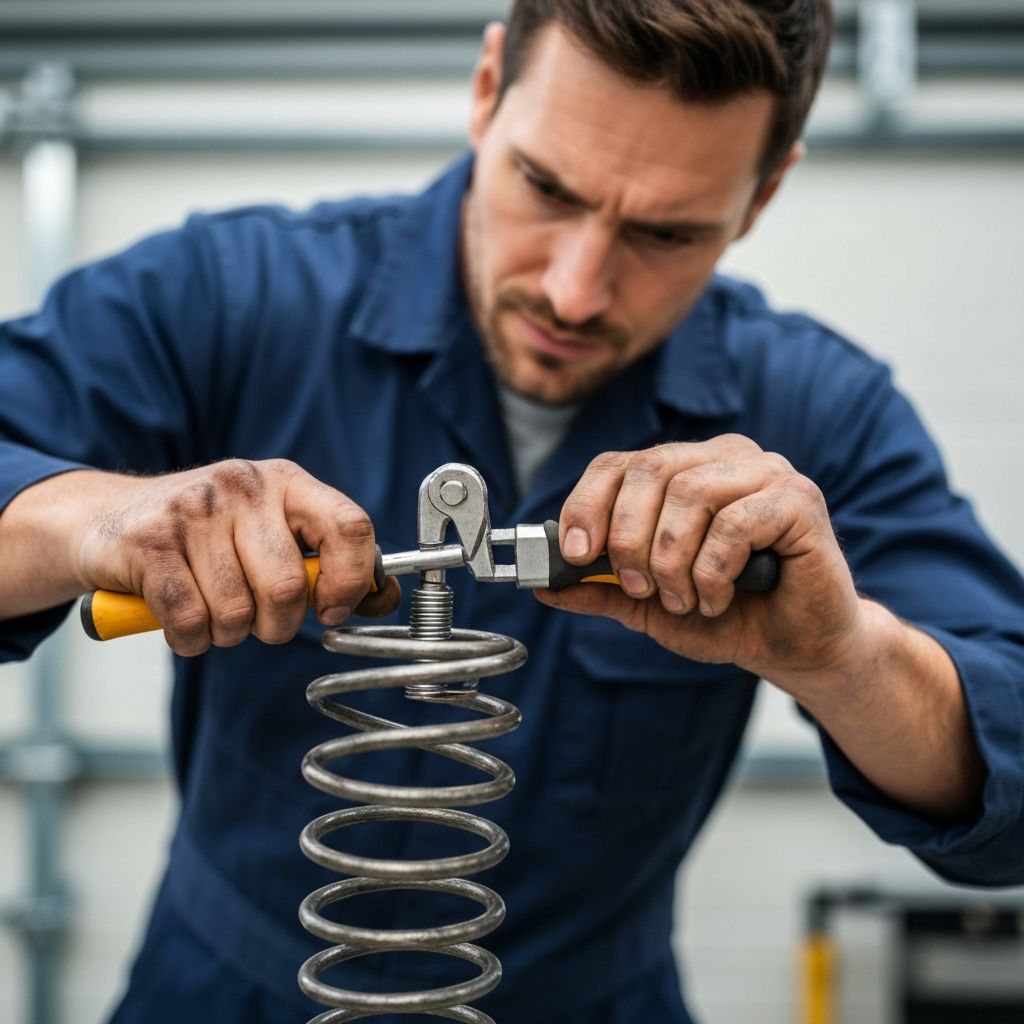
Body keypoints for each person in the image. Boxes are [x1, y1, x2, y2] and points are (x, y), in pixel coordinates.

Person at [1, 1, 1022, 1021]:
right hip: (226, 991)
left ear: (763, 194)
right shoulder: (233, 296)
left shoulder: (815, 413)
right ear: (488, 87)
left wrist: (844, 656)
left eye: (665, 232)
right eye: (547, 186)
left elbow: (1007, 768)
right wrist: (88, 518)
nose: (576, 291)